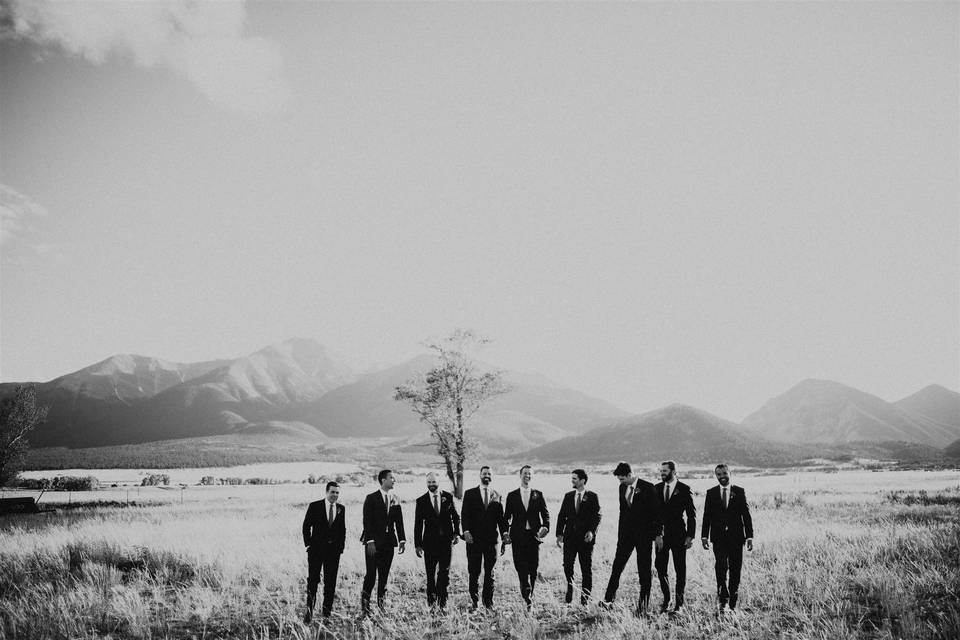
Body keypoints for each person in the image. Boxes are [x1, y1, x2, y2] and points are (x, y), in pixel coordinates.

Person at [602, 461, 663, 615]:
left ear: (630, 475)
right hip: (625, 537)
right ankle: (608, 600)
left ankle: (643, 607)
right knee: (617, 567)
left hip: (644, 537)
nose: (620, 481)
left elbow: (656, 513)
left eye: (622, 478)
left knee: (644, 571)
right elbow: (623, 512)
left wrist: (657, 534)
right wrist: (620, 535)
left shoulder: (648, 487)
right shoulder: (622, 487)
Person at [701, 463, 753, 611]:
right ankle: (723, 600)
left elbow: (746, 516)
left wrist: (750, 537)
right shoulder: (711, 493)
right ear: (715, 475)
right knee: (721, 566)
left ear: (730, 473)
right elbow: (707, 516)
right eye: (719, 474)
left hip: (736, 537)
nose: (722, 477)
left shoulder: (739, 491)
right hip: (718, 538)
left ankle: (733, 603)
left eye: (724, 473)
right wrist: (704, 536)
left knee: (735, 569)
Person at [503, 465, 550, 609]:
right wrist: (505, 533)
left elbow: (546, 515)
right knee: (521, 567)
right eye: (525, 473)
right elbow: (507, 517)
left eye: (529, 474)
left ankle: (531, 594)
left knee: (533, 567)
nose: (527, 476)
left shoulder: (538, 494)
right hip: (518, 537)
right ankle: (526, 593)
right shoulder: (512, 495)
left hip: (533, 537)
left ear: (532, 476)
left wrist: (546, 527)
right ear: (520, 475)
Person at [460, 465, 507, 610]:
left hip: (491, 540)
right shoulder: (470, 493)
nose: (487, 475)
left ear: (492, 476)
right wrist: (466, 531)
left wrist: (505, 534)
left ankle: (488, 602)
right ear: (480, 475)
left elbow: (501, 519)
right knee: (474, 571)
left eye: (489, 474)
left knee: (490, 572)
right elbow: (465, 515)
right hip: (474, 540)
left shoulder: (497, 495)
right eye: (484, 473)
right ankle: (474, 601)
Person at [360, 469, 406, 615]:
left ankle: (381, 606)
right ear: (383, 480)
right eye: (391, 478)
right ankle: (365, 607)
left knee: (384, 575)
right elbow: (367, 521)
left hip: (389, 543)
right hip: (373, 543)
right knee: (371, 575)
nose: (394, 480)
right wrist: (370, 541)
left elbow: (399, 522)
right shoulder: (371, 498)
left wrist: (402, 539)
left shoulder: (396, 498)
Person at [653, 460, 696, 613]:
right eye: (661, 470)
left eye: (665, 470)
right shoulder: (656, 488)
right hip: (661, 537)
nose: (662, 473)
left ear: (673, 471)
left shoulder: (684, 489)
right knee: (660, 568)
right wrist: (656, 534)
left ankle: (679, 604)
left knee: (680, 570)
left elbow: (692, 515)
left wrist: (690, 536)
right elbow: (653, 515)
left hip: (679, 536)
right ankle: (667, 599)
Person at [414, 472, 460, 609]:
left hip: (446, 543)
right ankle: (431, 604)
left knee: (444, 574)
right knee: (430, 575)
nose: (431, 485)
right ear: (426, 483)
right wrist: (417, 545)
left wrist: (456, 533)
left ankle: (442, 603)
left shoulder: (448, 497)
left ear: (438, 482)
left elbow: (456, 517)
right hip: (429, 544)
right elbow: (418, 524)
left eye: (434, 482)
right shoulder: (421, 501)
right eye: (429, 482)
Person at [555, 468, 601, 605]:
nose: (572, 481)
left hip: (585, 539)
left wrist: (592, 531)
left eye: (575, 478)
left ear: (582, 480)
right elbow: (562, 515)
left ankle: (585, 599)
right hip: (569, 538)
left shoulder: (592, 496)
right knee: (568, 566)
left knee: (586, 569)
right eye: (572, 478)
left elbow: (597, 516)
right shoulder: (568, 496)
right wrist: (559, 534)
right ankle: (570, 588)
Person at [301, 481, 346, 622]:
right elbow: (306, 526)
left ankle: (326, 613)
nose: (335, 495)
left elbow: (342, 530)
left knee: (330, 582)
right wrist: (308, 545)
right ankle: (309, 612)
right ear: (326, 492)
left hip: (333, 553)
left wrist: (341, 548)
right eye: (332, 492)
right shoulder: (315, 506)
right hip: (316, 551)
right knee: (313, 581)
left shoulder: (341, 508)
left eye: (337, 492)